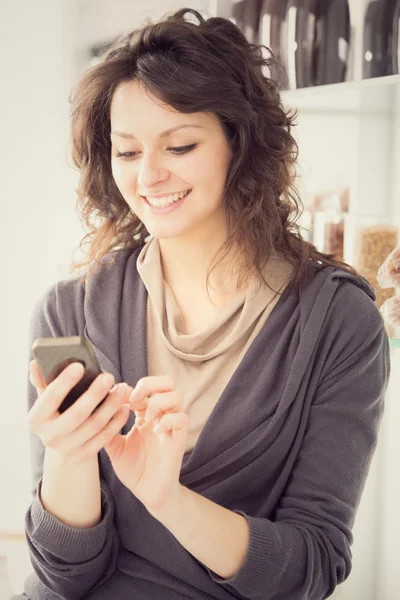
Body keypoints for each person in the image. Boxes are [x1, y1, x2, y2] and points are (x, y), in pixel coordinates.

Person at [15, 7, 390, 600]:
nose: (149, 177)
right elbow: (66, 575)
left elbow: (311, 568)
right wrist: (70, 456)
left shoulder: (338, 323)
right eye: (128, 152)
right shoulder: (72, 310)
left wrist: (168, 499)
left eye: (181, 144)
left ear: (239, 144)